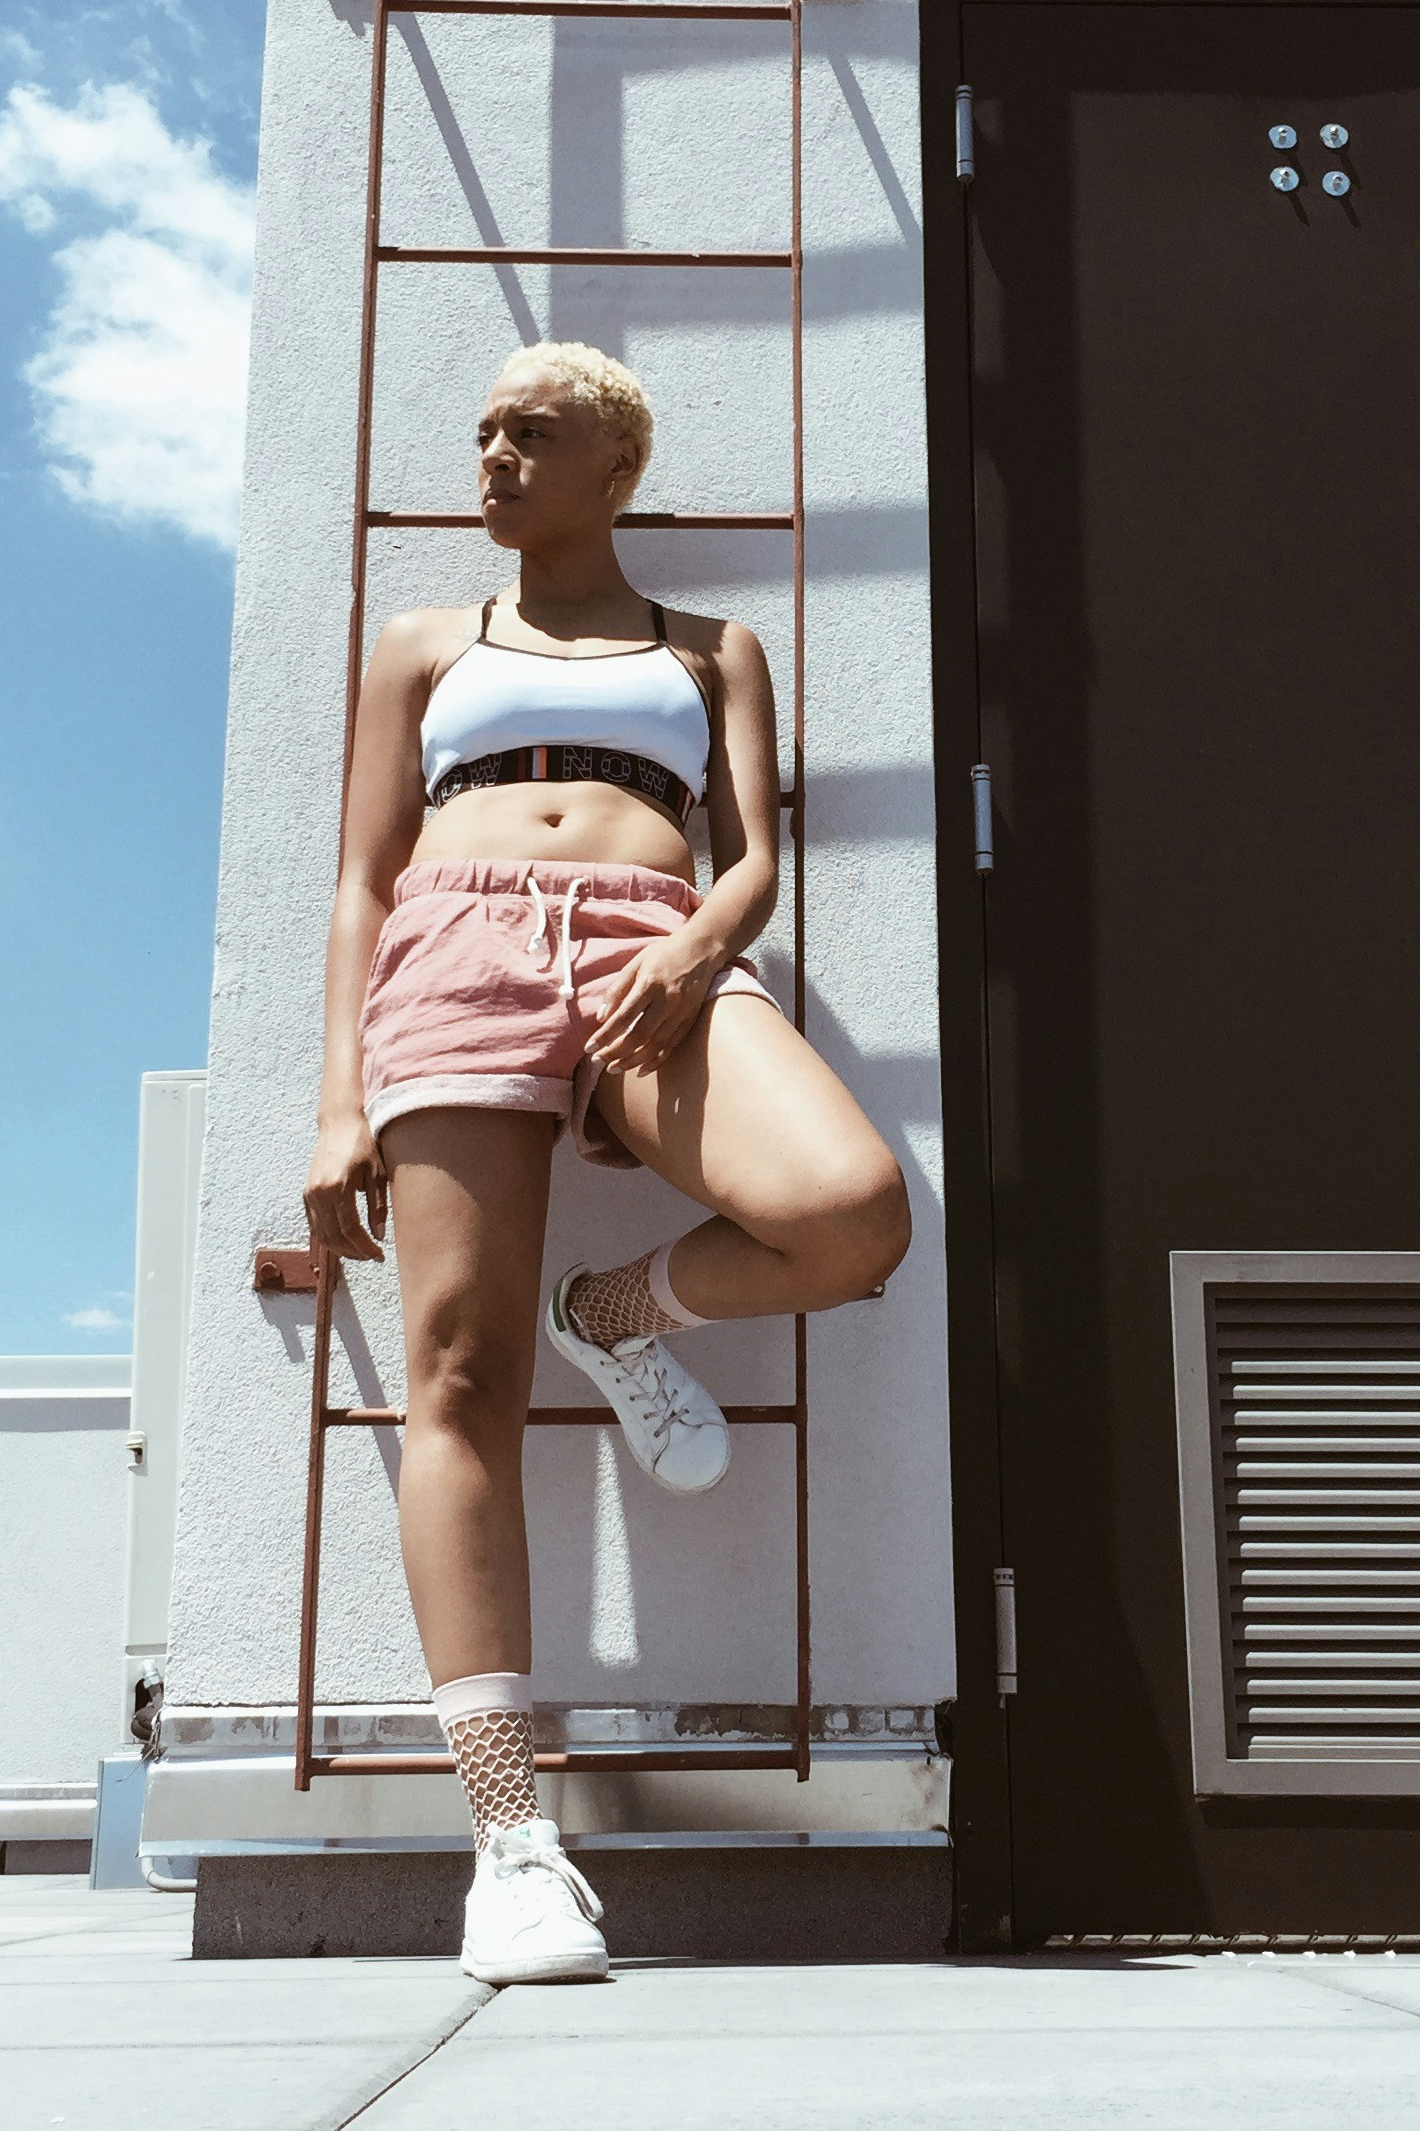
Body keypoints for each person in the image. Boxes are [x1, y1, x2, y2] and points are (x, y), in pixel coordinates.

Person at [302, 341, 911, 1985]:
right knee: (456, 1372)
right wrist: (335, 1097)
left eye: (534, 433)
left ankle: (621, 1309)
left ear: (615, 470)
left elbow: (757, 857)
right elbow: (364, 881)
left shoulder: (714, 646)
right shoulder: (425, 646)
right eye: (484, 426)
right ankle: (510, 1837)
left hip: (657, 948)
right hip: (456, 950)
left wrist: (694, 947)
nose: (493, 453)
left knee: (851, 1215)